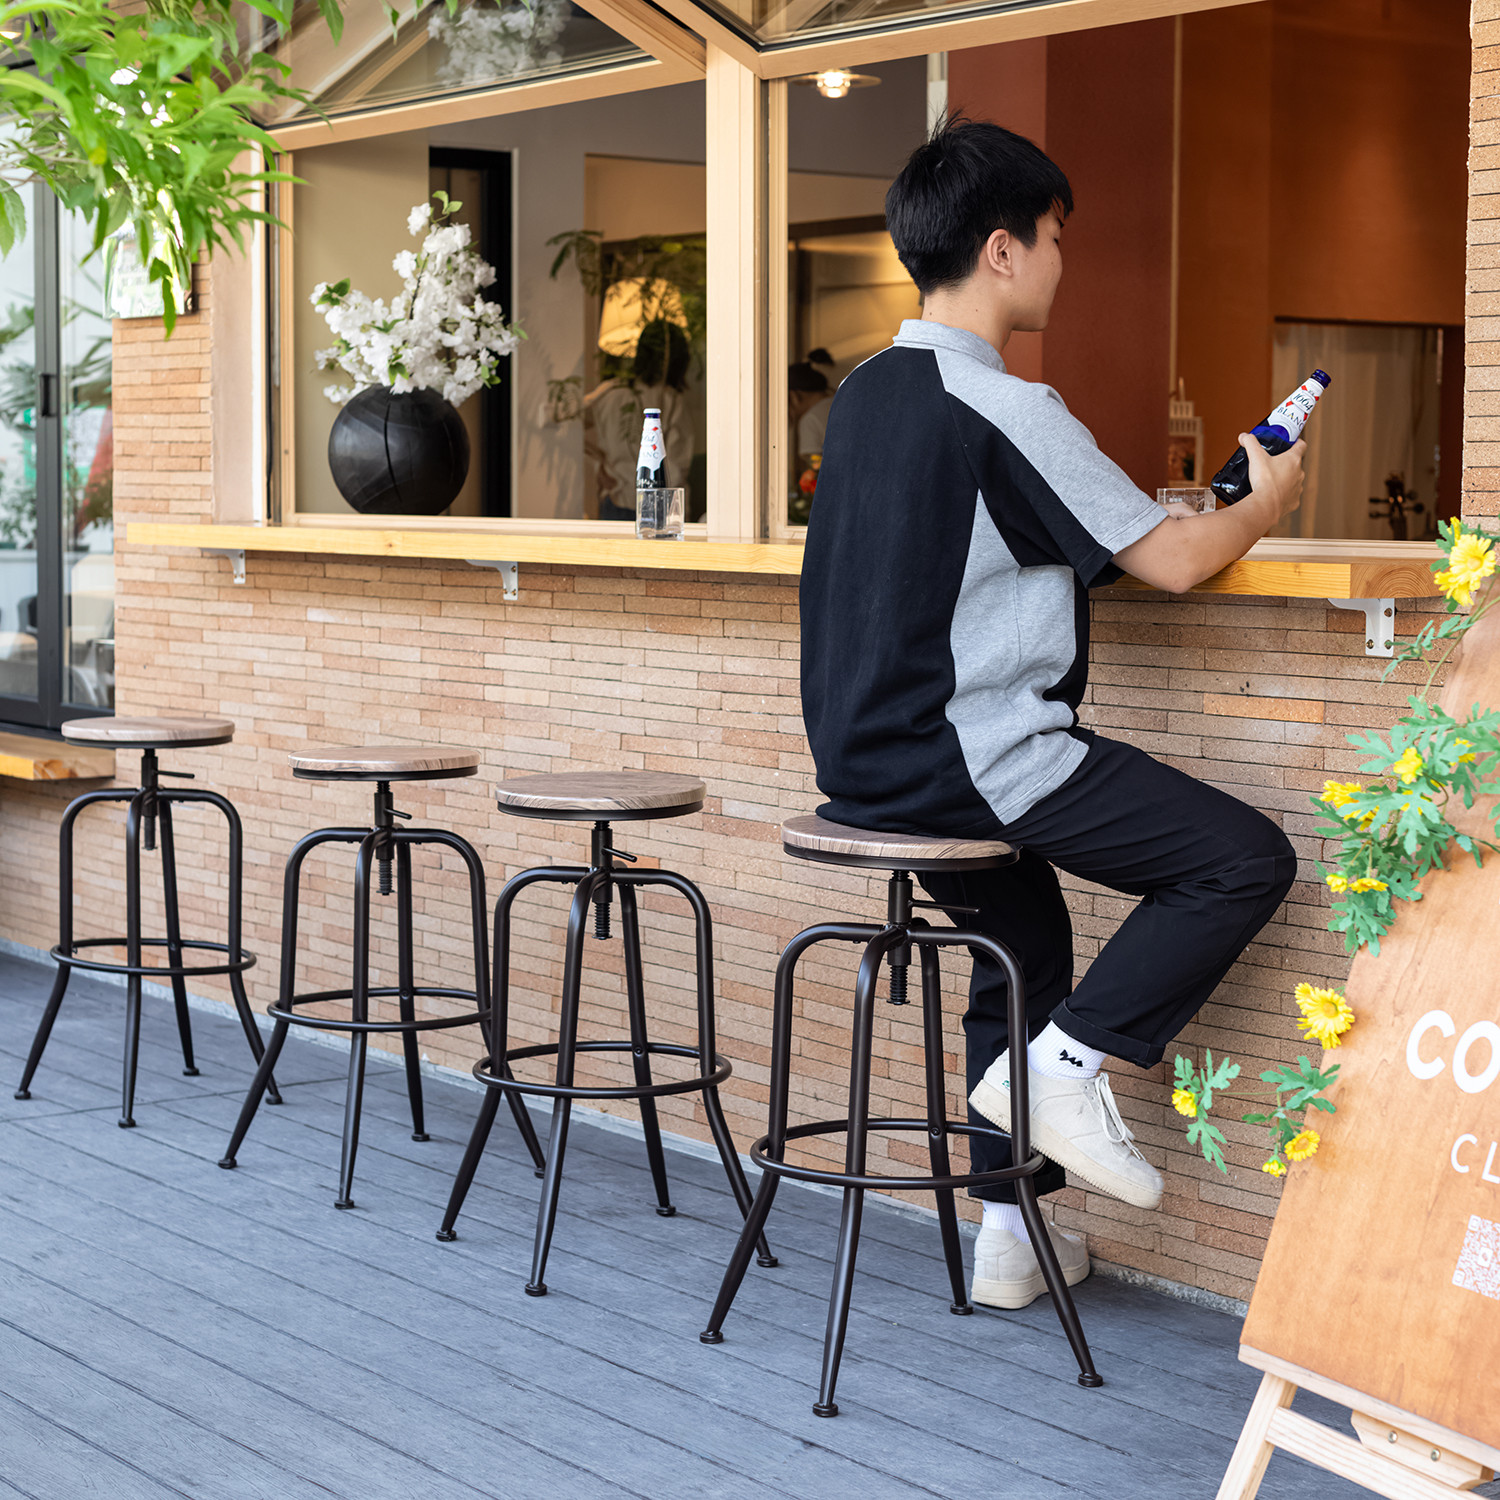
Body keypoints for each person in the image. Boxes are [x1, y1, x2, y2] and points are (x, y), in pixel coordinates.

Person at [798, 117, 1304, 1313]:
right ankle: (1066, 1069)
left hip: (863, 764)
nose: (1065, 261)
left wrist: (1184, 514)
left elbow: (1020, 541)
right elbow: (1174, 562)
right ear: (1003, 248)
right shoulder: (1003, 404)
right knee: (1243, 859)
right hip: (972, 759)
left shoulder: (864, 395)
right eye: (1058, 236)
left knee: (1019, 952)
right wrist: (1266, 504)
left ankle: (1011, 1234)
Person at [583, 317, 694, 522]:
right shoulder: (671, 402)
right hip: (658, 507)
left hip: (617, 502)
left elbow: (573, 420)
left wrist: (599, 465)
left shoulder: (610, 392)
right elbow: (677, 468)